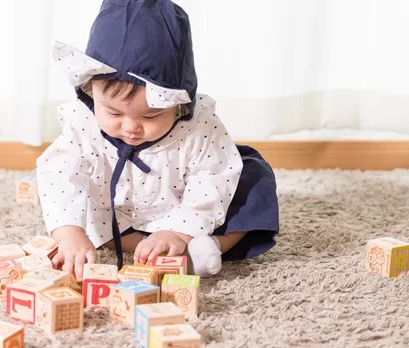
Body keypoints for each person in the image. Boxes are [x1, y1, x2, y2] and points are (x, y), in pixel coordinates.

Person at [36, 0, 279, 281]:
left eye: (150, 116)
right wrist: (70, 234)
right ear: (90, 89)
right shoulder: (82, 122)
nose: (130, 128)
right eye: (113, 112)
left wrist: (178, 230)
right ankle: (147, 250)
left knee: (251, 178)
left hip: (188, 206)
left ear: (178, 104)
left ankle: (210, 246)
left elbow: (213, 177)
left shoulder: (200, 126)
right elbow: (59, 173)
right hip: (119, 212)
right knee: (85, 212)